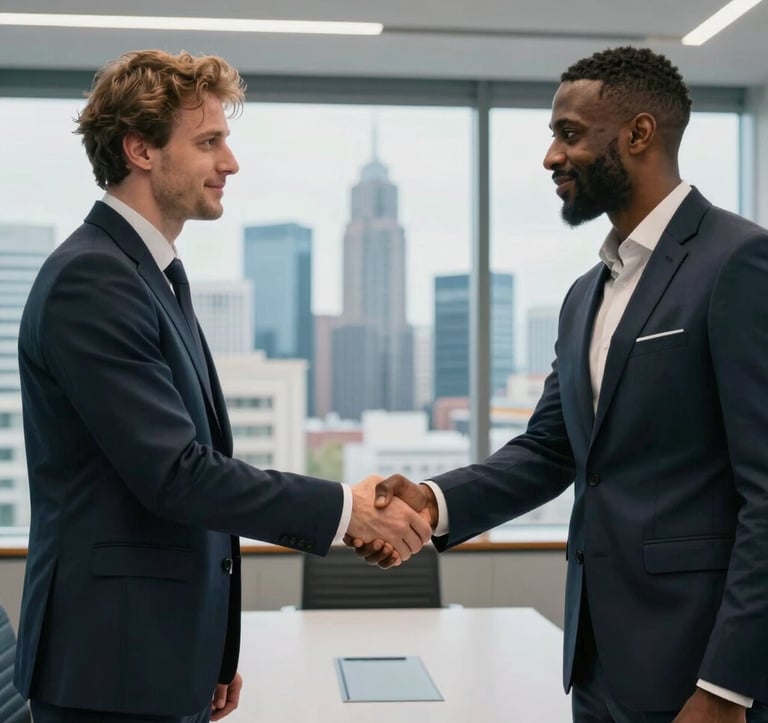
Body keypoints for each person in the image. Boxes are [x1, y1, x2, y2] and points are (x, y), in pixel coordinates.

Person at [350, 46, 768, 722]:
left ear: (638, 134)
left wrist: (727, 685)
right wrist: (431, 501)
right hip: (597, 664)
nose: (550, 156)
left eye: (568, 134)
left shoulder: (739, 261)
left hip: (698, 670)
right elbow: (552, 449)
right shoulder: (584, 295)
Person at [14, 49, 430, 723]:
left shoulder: (149, 275)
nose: (230, 163)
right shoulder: (92, 280)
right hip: (107, 672)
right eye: (209, 142)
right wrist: (346, 509)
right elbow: (177, 474)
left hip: (151, 658)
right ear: (140, 149)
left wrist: (209, 649)